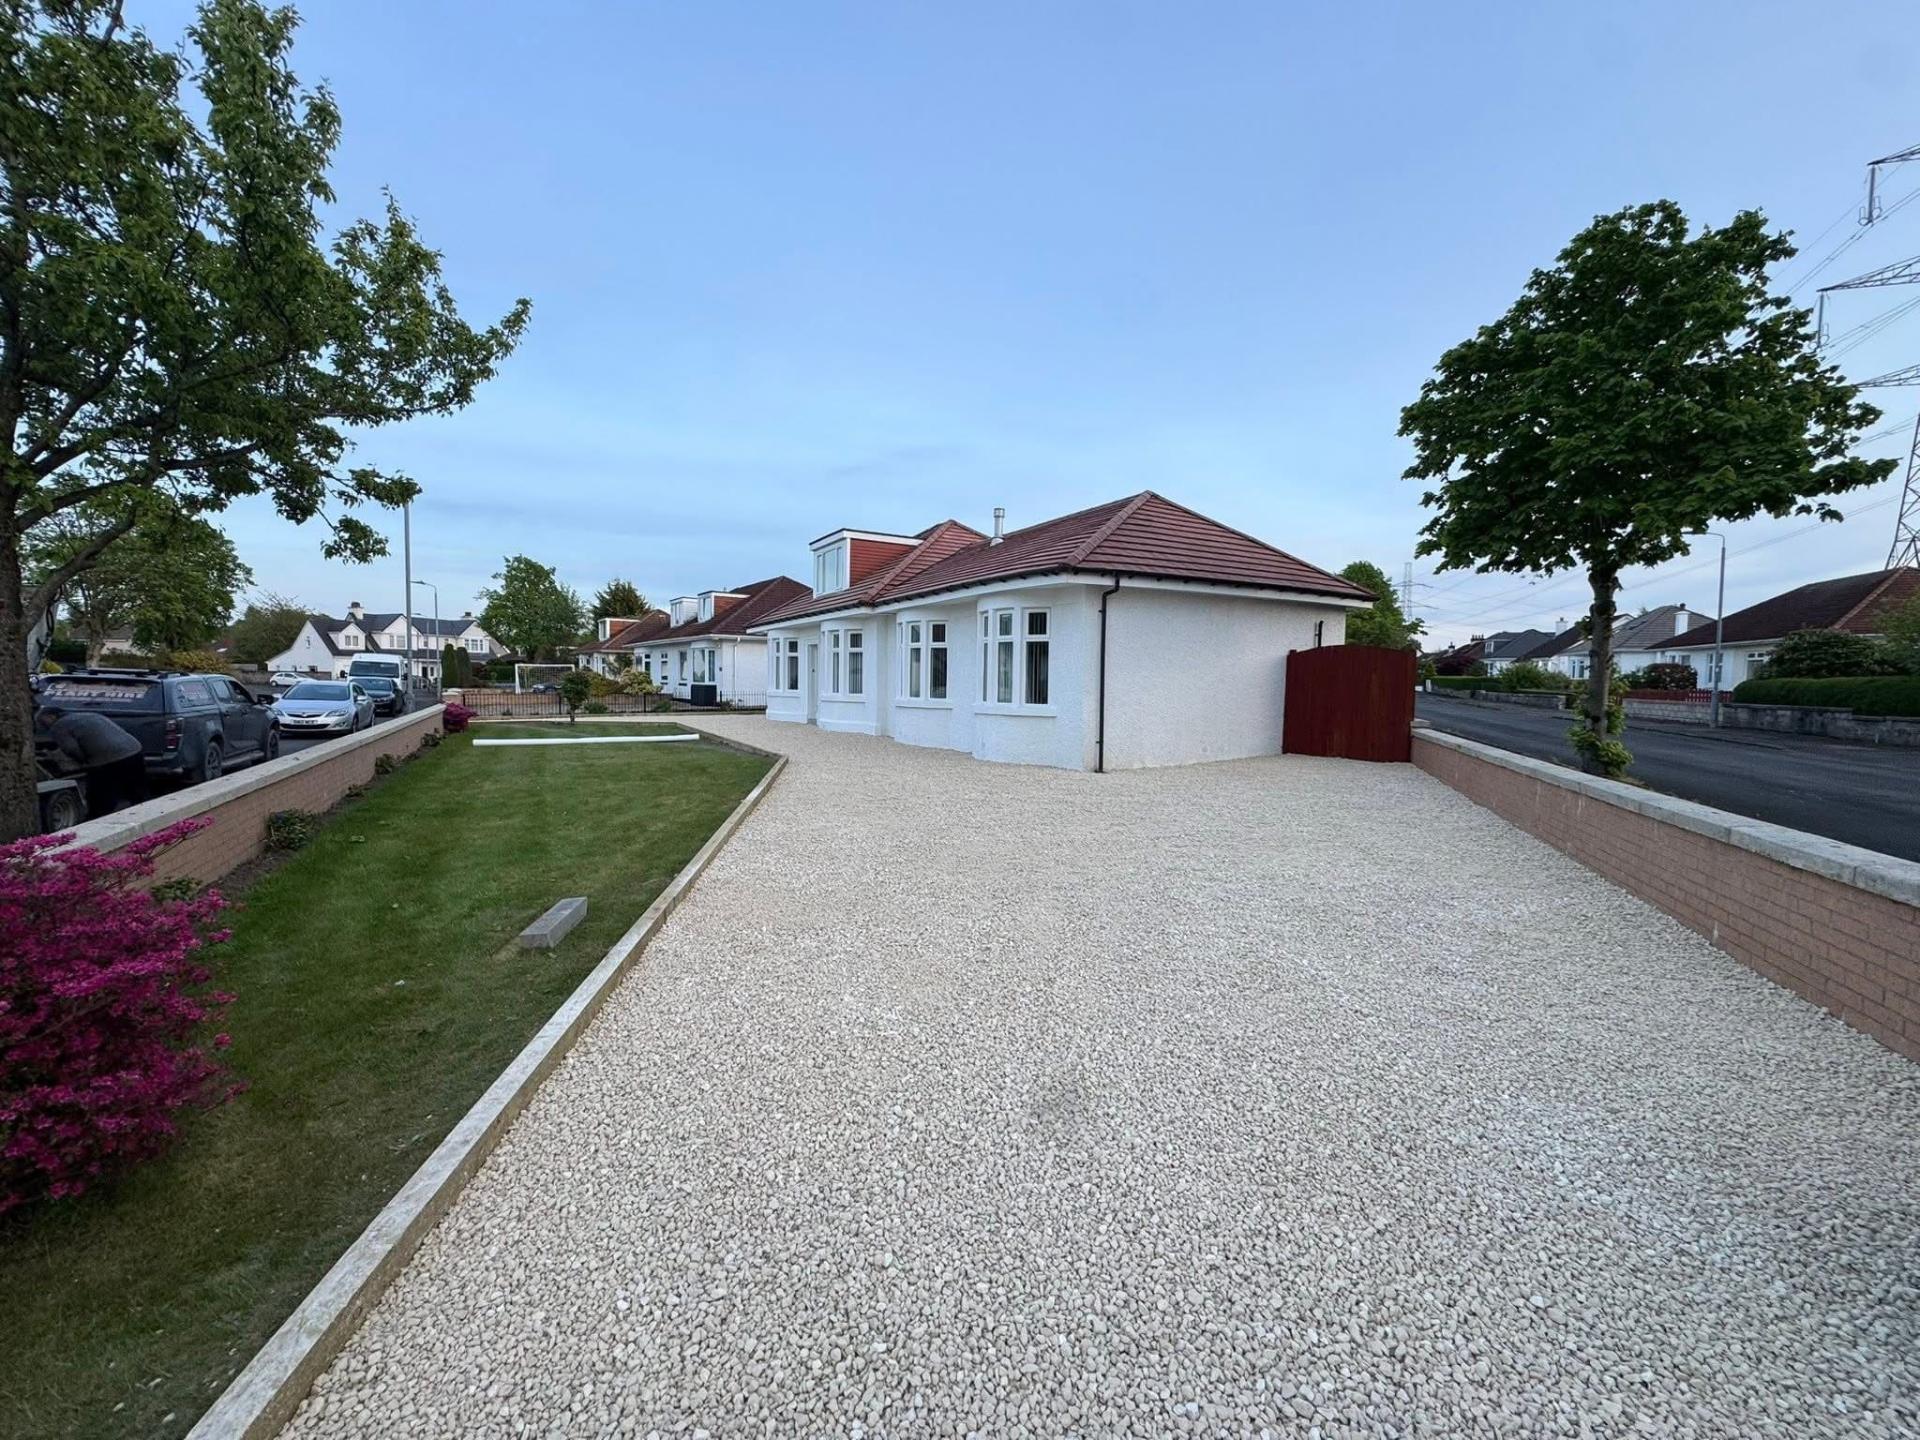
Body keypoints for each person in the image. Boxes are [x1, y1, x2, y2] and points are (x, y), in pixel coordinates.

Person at [34, 706, 148, 814]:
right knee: (136, 791)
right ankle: (145, 816)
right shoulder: (89, 715)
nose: (42, 725)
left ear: (51, 716)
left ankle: (98, 822)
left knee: (99, 797)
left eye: (41, 721)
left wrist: (83, 761)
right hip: (134, 750)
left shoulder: (59, 726)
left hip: (108, 758)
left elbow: (71, 748)